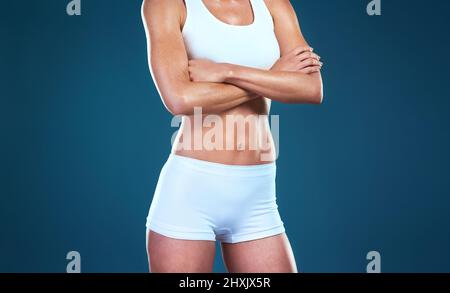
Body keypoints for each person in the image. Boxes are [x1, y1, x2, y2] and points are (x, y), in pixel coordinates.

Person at [141, 0, 323, 273]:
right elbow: (180, 99)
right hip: (191, 191)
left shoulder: (274, 5)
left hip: (257, 195)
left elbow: (311, 88)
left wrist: (227, 71)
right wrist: (272, 77)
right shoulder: (167, 4)